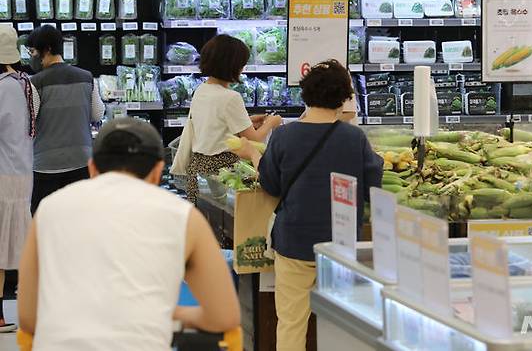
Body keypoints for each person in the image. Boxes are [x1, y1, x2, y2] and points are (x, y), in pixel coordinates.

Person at [18, 117, 240, 350]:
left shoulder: (49, 209)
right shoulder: (183, 216)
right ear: (157, 172)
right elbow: (224, 318)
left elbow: (28, 318)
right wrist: (170, 313)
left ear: (92, 168)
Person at [234, 60, 383, 351]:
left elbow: (272, 185)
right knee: (343, 321)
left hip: (294, 242)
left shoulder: (285, 136)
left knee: (291, 322)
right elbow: (373, 184)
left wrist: (252, 154)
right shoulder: (354, 138)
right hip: (340, 245)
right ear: (343, 96)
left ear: (306, 94)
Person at [174, 34, 282, 204]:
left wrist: (247, 121)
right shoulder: (230, 97)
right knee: (229, 213)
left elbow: (213, 123)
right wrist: (270, 124)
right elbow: (252, 140)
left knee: (211, 214)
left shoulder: (201, 89)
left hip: (199, 166)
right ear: (232, 66)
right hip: (223, 167)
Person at [26, 25, 105, 213]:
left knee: (46, 222)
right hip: (82, 162)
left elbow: (29, 121)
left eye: (33, 51)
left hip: (46, 166)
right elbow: (97, 114)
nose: (31, 57)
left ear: (47, 49)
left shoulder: (35, 83)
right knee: (78, 219)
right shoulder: (86, 77)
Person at [0, 26, 39, 333]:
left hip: (2, 175)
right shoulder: (26, 84)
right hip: (21, 173)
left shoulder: (2, 86)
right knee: (6, 248)